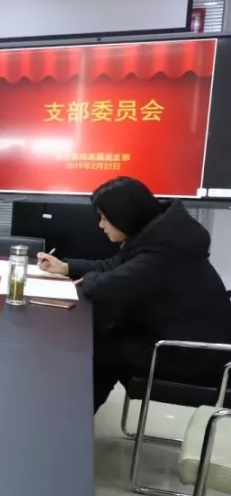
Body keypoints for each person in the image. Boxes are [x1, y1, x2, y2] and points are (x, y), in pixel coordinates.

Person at [37, 177, 231, 413]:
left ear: (124, 217)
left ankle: (71, 419)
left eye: (105, 218)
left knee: (100, 351)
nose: (101, 225)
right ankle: (73, 414)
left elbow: (111, 285)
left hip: (191, 355)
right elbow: (114, 266)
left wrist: (87, 280)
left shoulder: (163, 251)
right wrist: (66, 267)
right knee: (103, 338)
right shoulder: (156, 235)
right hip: (175, 337)